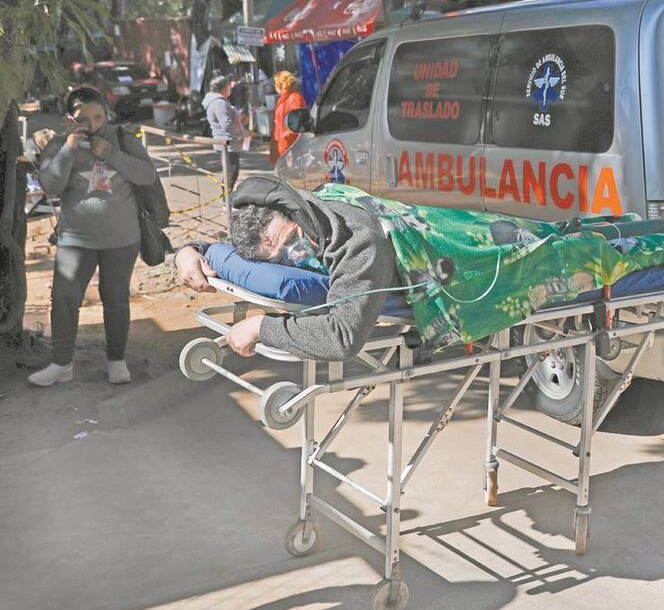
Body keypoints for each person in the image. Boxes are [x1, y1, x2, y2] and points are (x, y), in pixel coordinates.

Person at [174, 176, 397, 361]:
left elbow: (342, 339)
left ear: (295, 213)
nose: (296, 254)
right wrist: (188, 252)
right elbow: (227, 250)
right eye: (281, 259)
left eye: (292, 239)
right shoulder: (287, 225)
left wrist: (261, 327)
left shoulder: (359, 242)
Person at [30, 87, 157, 386]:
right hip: (75, 239)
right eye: (84, 119)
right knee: (63, 299)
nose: (93, 123)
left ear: (106, 113)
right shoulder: (60, 144)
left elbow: (147, 175)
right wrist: (69, 148)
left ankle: (116, 360)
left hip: (122, 238)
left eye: (98, 116)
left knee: (115, 300)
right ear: (69, 119)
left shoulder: (123, 139)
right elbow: (50, 185)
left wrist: (109, 153)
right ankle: (61, 364)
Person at [202, 74, 245, 189]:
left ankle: (226, 200)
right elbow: (226, 124)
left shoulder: (218, 101)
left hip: (224, 140)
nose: (230, 88)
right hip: (227, 141)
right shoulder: (219, 103)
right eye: (228, 86)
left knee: (230, 171)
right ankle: (226, 201)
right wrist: (238, 133)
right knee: (231, 172)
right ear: (224, 88)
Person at [270, 71, 306, 164]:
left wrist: (284, 136)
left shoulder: (293, 98)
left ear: (279, 85)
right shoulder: (282, 99)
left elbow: (296, 123)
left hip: (291, 144)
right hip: (283, 144)